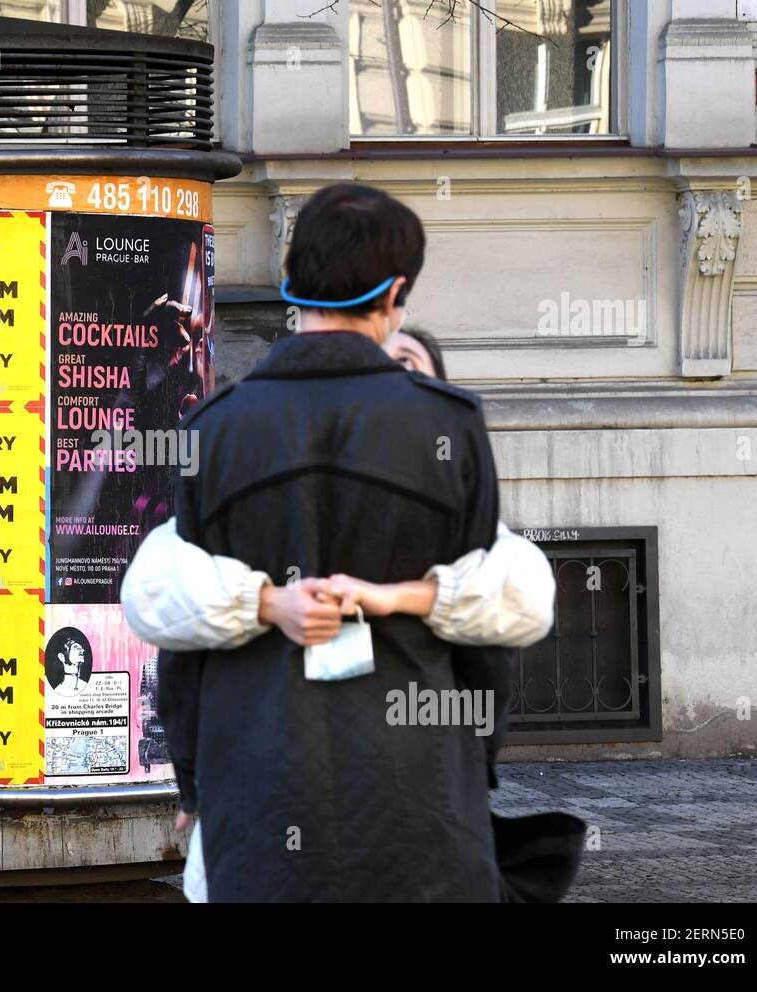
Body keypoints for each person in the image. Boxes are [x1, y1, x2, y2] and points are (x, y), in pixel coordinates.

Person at [150, 183, 519, 902]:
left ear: (295, 280)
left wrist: (193, 781)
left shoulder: (214, 428)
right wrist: (477, 762)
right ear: (396, 293)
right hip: (419, 799)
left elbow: (185, 639)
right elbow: (482, 632)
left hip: (258, 794)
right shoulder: (449, 424)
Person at [121, 328, 558, 903]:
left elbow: (523, 596)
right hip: (265, 811)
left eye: (403, 365)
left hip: (409, 818)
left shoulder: (449, 512)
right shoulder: (254, 480)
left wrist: (400, 595)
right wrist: (267, 604)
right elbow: (155, 594)